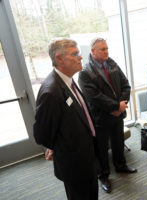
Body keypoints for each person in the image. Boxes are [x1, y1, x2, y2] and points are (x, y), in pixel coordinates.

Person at [33, 38, 98, 200]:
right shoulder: (51, 92)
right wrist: (56, 145)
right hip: (73, 163)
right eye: (74, 54)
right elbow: (42, 134)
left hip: (86, 156)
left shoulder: (67, 80)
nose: (80, 57)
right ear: (59, 59)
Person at [78, 37, 137, 194]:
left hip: (117, 114)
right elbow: (93, 97)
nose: (106, 52)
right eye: (103, 49)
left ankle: (121, 166)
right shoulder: (85, 72)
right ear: (93, 51)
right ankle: (103, 176)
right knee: (101, 149)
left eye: (107, 48)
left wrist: (120, 105)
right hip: (101, 118)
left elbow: (125, 85)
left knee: (118, 142)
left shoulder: (111, 63)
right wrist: (115, 106)